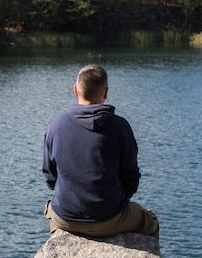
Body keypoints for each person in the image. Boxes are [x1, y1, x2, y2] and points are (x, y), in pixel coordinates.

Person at [42, 64, 159, 238]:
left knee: (51, 209)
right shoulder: (120, 127)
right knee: (150, 221)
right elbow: (131, 177)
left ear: (75, 90)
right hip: (110, 217)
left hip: (66, 218)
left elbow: (50, 178)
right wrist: (117, 202)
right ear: (106, 92)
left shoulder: (55, 126)